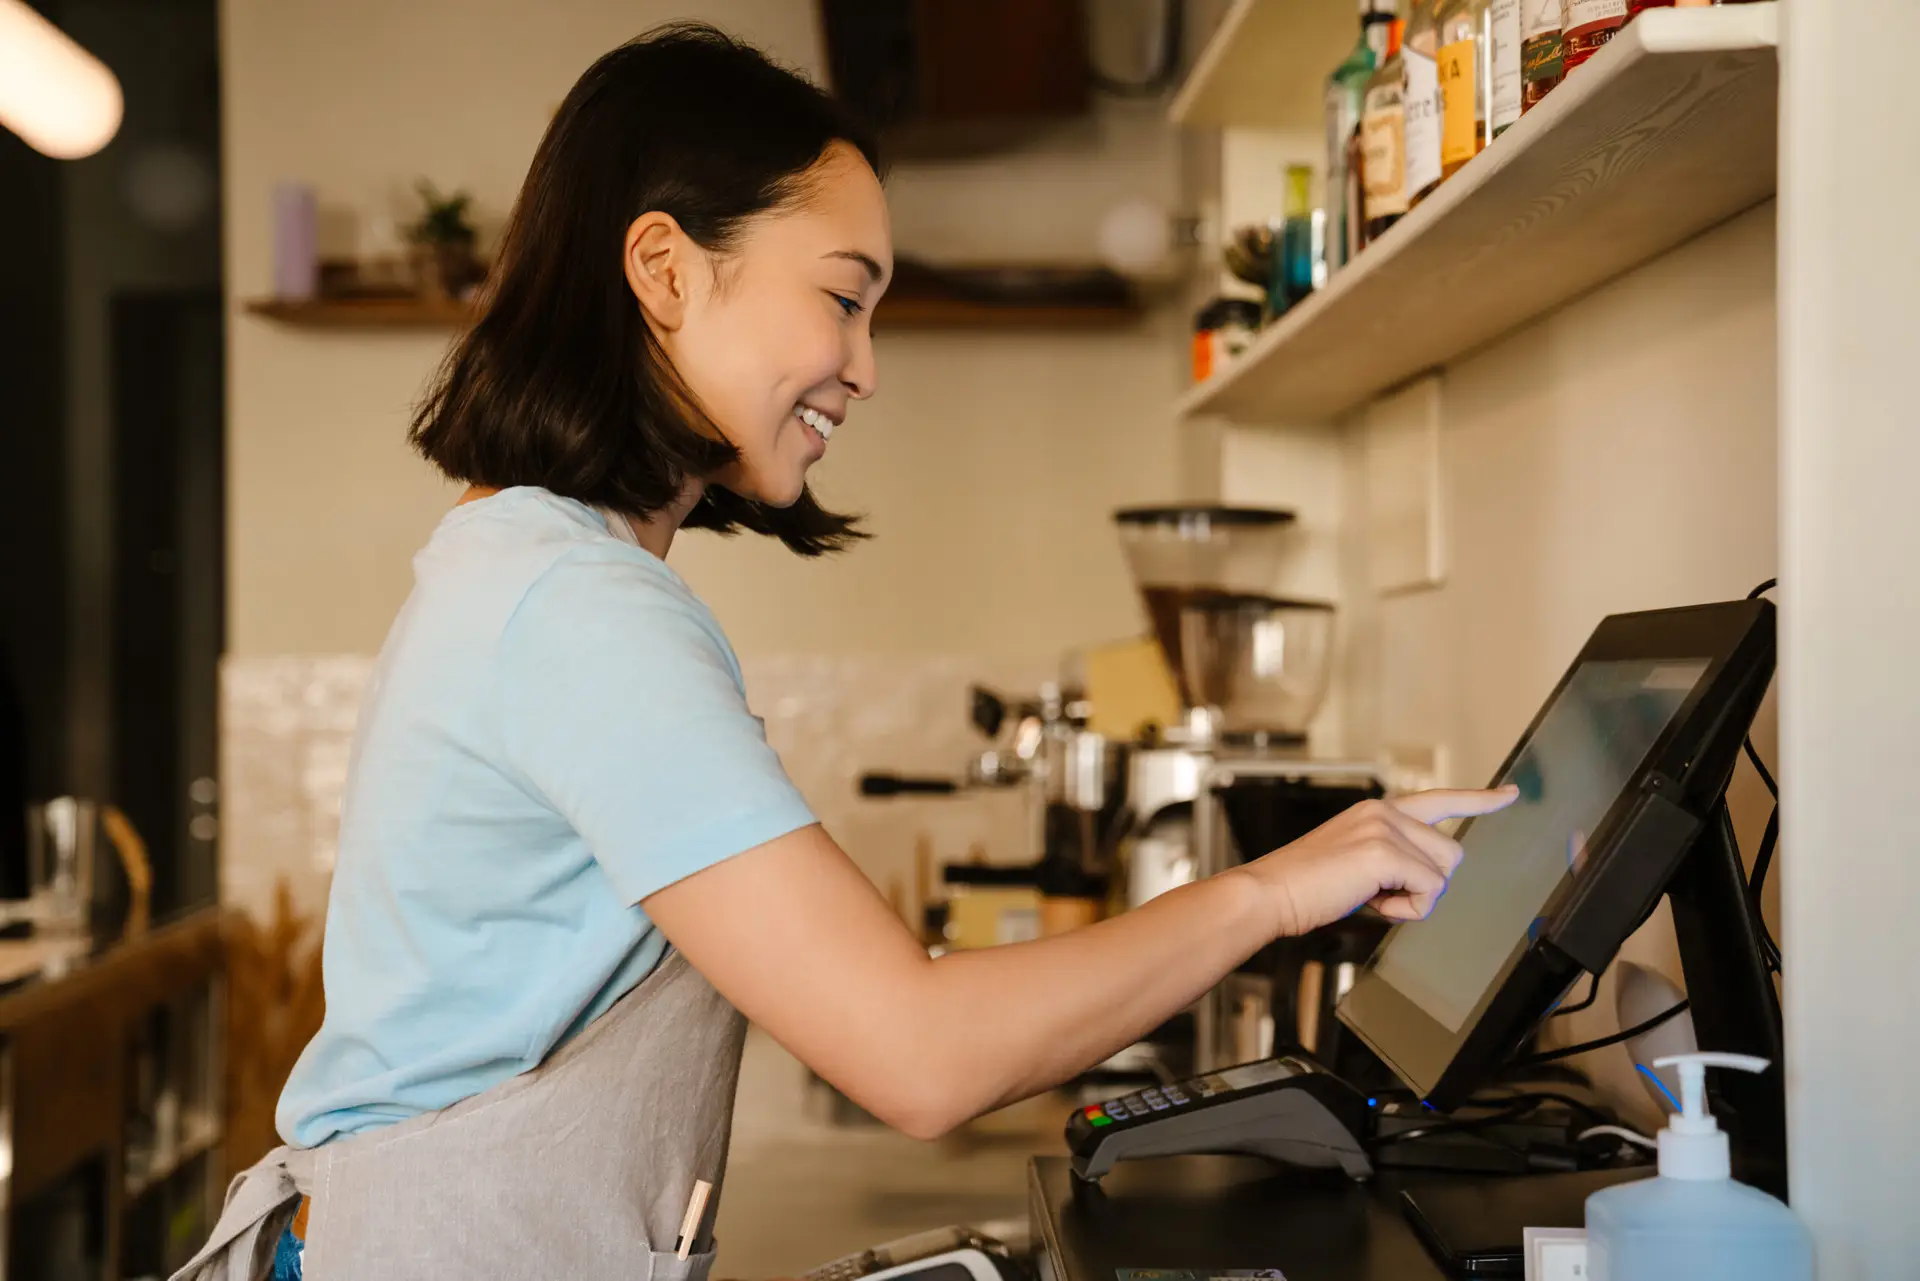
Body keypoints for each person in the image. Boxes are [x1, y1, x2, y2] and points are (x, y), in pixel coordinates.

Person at [176, 23, 1515, 1281]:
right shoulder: (576, 609)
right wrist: (1274, 893)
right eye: (844, 299)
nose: (865, 367)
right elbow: (918, 1057)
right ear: (664, 271)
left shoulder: (531, 568)